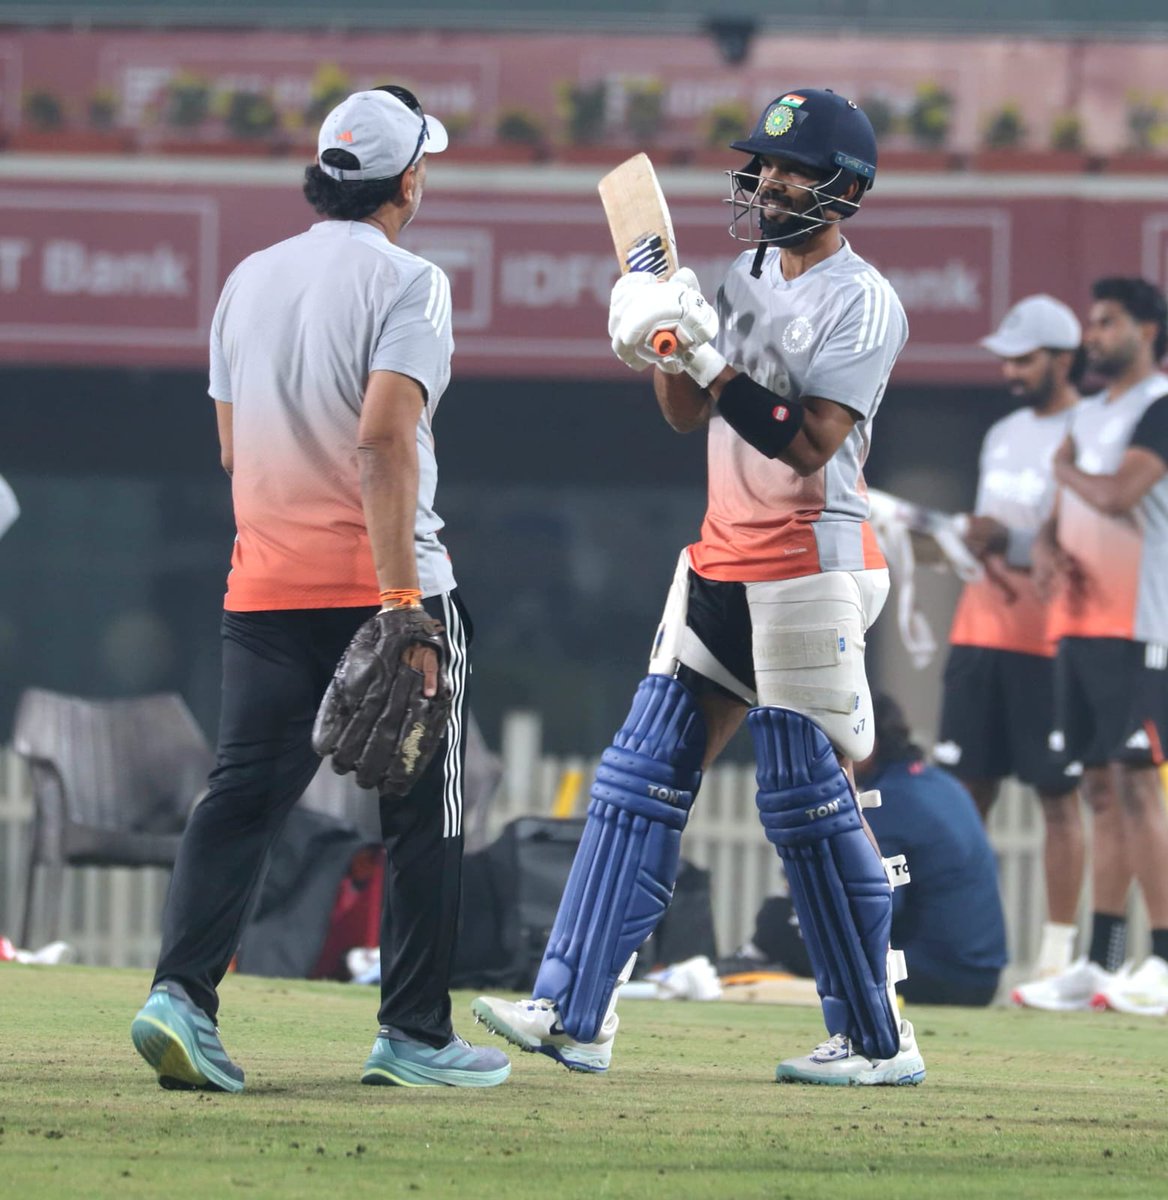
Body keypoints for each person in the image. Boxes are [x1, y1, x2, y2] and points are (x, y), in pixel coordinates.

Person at [474, 89, 924, 1085]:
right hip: (723, 556)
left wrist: (709, 354)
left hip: (813, 568)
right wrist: (658, 339)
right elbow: (688, 415)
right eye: (760, 165)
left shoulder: (866, 303)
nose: (766, 181)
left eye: (790, 169)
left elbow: (806, 444)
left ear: (844, 189)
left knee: (804, 805)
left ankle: (876, 1041)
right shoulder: (744, 269)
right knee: (637, 778)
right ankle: (574, 1009)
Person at [130, 86, 510, 1090]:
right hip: (388, 592)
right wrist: (401, 608)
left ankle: (179, 997)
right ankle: (415, 1035)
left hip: (262, 590)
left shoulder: (249, 278)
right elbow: (383, 440)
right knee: (426, 814)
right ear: (410, 180)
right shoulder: (411, 281)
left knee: (241, 799)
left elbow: (227, 444)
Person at [1013, 276, 1168, 1016]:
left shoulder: (1159, 407)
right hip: (1079, 622)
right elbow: (1067, 508)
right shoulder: (1098, 415)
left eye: (1104, 323)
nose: (1092, 337)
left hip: (1141, 623)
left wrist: (1064, 470)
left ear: (1145, 331)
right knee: (1099, 792)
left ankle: (1164, 961)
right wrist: (1045, 542)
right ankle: (1101, 962)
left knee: (1140, 791)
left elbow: (1114, 495)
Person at [933, 295, 1086, 980]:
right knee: (966, 798)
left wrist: (1011, 538)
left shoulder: (1095, 431)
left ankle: (1057, 958)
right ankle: (963, 945)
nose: (1012, 372)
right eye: (1008, 360)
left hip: (1053, 640)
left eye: (1025, 359)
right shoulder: (1002, 433)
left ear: (1062, 358)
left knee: (1059, 798)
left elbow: (1094, 541)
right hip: (978, 631)